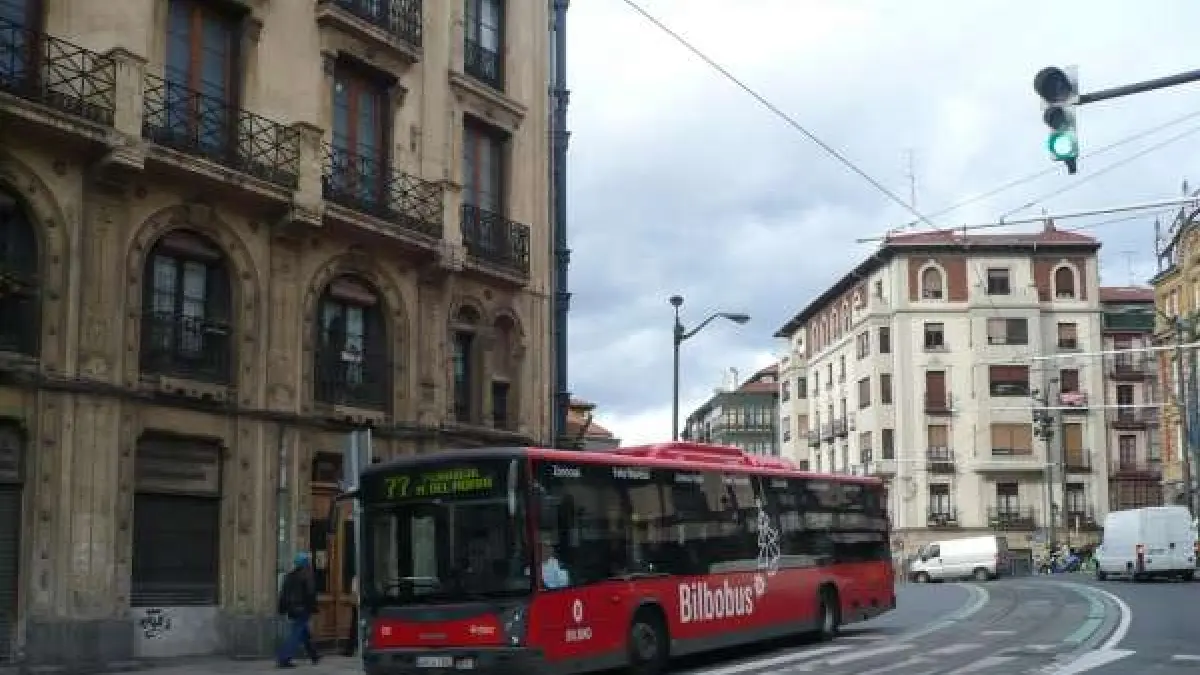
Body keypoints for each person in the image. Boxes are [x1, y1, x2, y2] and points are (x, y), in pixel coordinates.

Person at [277, 551, 320, 668]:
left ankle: (314, 654)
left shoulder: (289, 576)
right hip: (303, 608)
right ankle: (284, 657)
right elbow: (311, 593)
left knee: (303, 631)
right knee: (296, 633)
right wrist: (313, 608)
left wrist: (282, 608)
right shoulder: (307, 575)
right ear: (306, 563)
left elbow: (283, 594)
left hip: (292, 609)